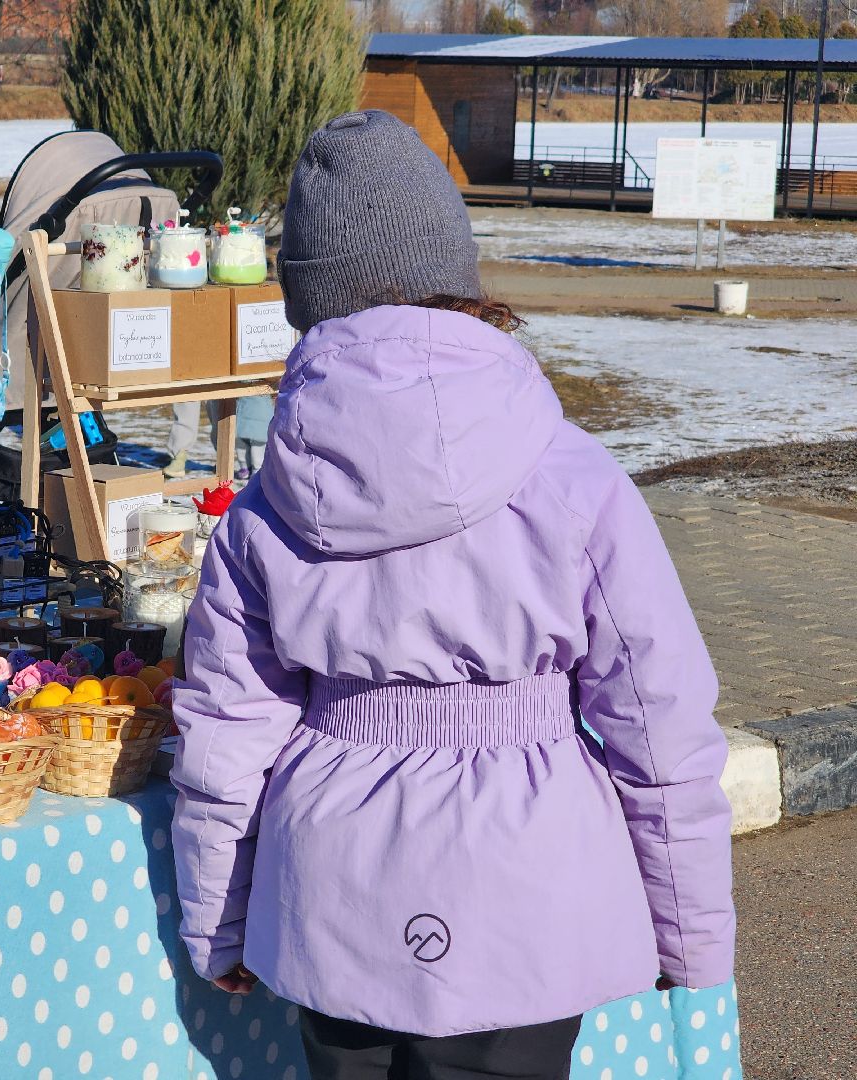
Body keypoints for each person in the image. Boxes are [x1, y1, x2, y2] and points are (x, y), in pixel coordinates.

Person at [171, 111, 735, 1080]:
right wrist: (692, 936)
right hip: (525, 905)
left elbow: (226, 733)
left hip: (336, 902)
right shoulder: (576, 480)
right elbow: (661, 725)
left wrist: (216, 919)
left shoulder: (266, 505)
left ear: (310, 299)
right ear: (460, 276)